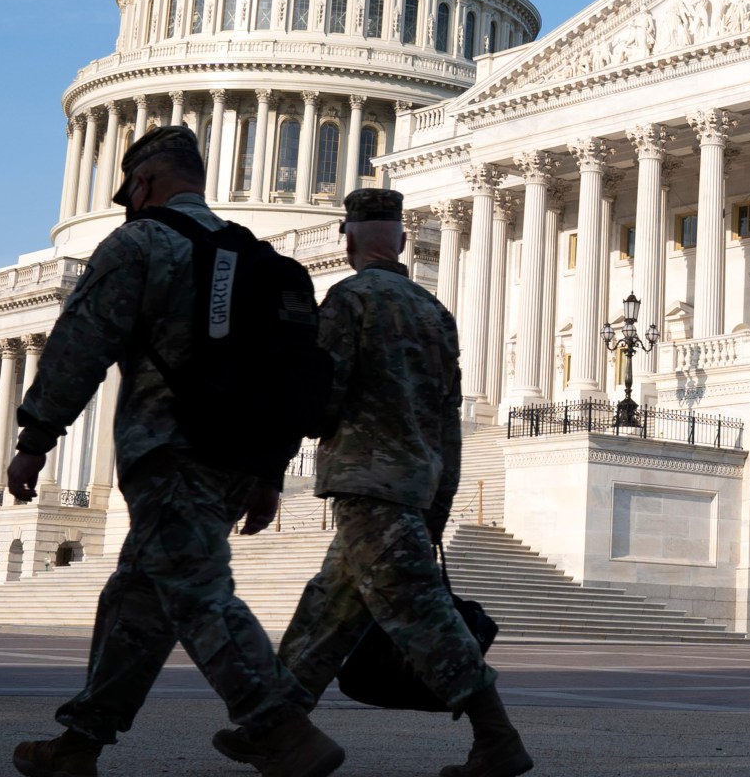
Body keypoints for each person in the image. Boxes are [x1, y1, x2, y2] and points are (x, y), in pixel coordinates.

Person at [3, 126, 342, 777]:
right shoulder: (257, 259)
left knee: (197, 592)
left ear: (146, 183)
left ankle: (278, 726)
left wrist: (35, 438)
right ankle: (79, 745)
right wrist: (268, 472)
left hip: (170, 449)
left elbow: (80, 346)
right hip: (238, 457)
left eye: (130, 188)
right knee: (136, 599)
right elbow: (294, 375)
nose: (128, 200)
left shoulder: (140, 245)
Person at [226, 187, 532, 777]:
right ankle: (271, 726)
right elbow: (449, 418)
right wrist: (439, 499)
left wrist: (276, 445)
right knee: (328, 608)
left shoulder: (349, 301)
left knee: (420, 613)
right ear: (401, 242)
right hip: (416, 483)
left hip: (367, 480)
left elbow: (321, 395)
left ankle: (497, 736)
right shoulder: (434, 312)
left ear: (347, 240)